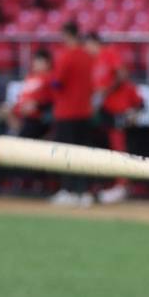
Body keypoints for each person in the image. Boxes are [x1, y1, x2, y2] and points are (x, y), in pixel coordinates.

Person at [85, 32, 143, 204]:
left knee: (119, 146)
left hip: (119, 107)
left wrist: (106, 91)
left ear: (94, 42)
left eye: (88, 44)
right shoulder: (93, 61)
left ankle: (122, 185)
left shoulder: (109, 53)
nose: (87, 49)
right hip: (106, 109)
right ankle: (116, 184)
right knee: (109, 147)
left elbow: (121, 74)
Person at [49, 21, 95, 207]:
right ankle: (83, 192)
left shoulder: (66, 56)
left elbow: (57, 83)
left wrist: (50, 83)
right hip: (85, 111)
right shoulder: (88, 56)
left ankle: (67, 190)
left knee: (66, 153)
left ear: (68, 35)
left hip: (67, 111)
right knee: (83, 153)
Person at [10, 48, 53, 139]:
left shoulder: (51, 78)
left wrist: (37, 105)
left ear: (47, 63)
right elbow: (21, 98)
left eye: (39, 61)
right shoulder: (30, 77)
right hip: (21, 117)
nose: (35, 63)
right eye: (35, 60)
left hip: (39, 119)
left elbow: (52, 99)